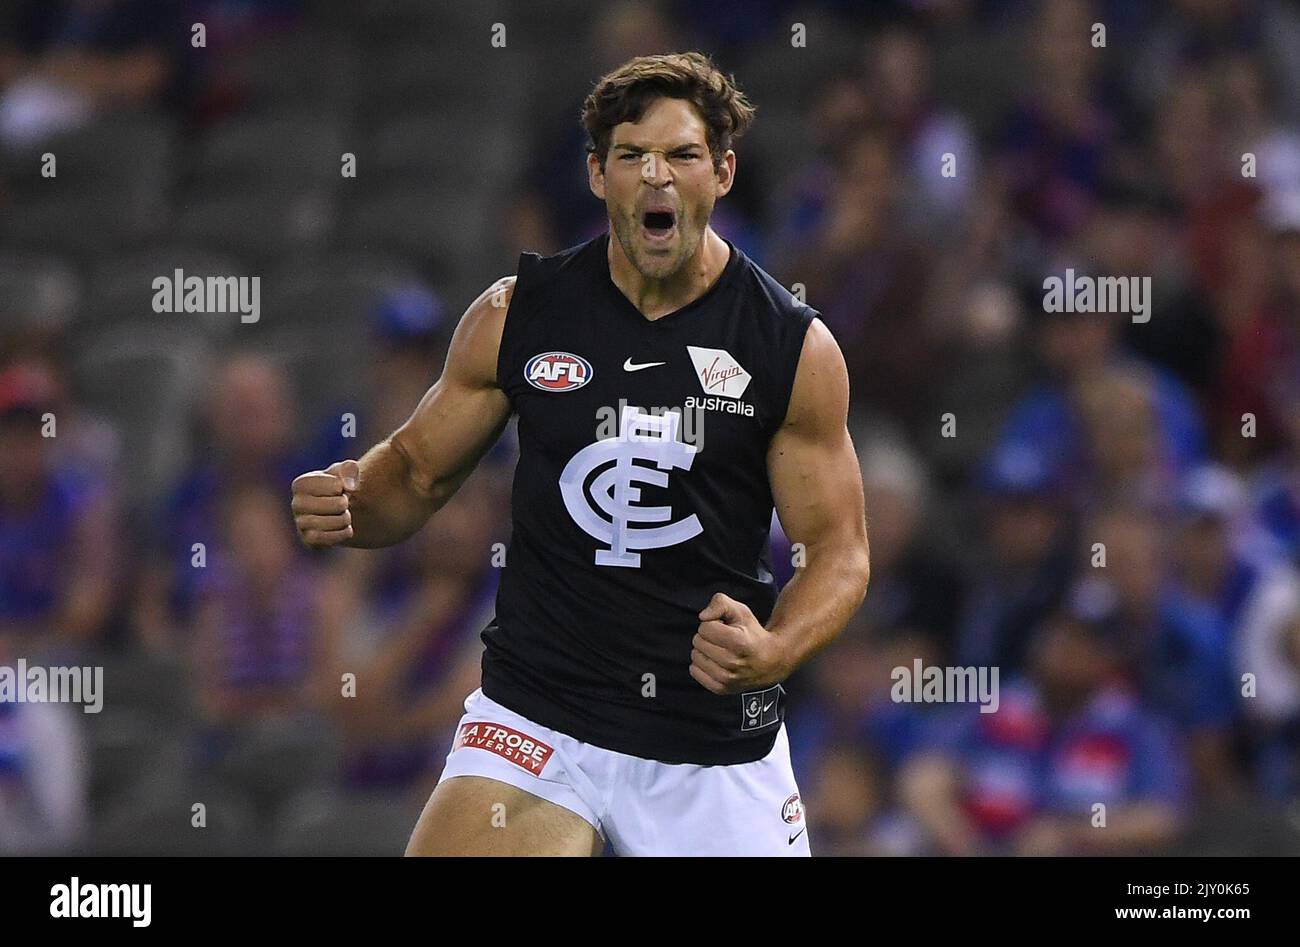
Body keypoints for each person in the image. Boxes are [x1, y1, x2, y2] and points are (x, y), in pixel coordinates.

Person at [290, 52, 870, 856]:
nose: (656, 177)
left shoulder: (790, 347)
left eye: (683, 155)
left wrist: (774, 649)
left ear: (725, 172)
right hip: (541, 719)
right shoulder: (517, 314)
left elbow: (840, 552)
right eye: (632, 156)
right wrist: (355, 494)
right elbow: (416, 474)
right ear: (598, 176)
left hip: (707, 746)